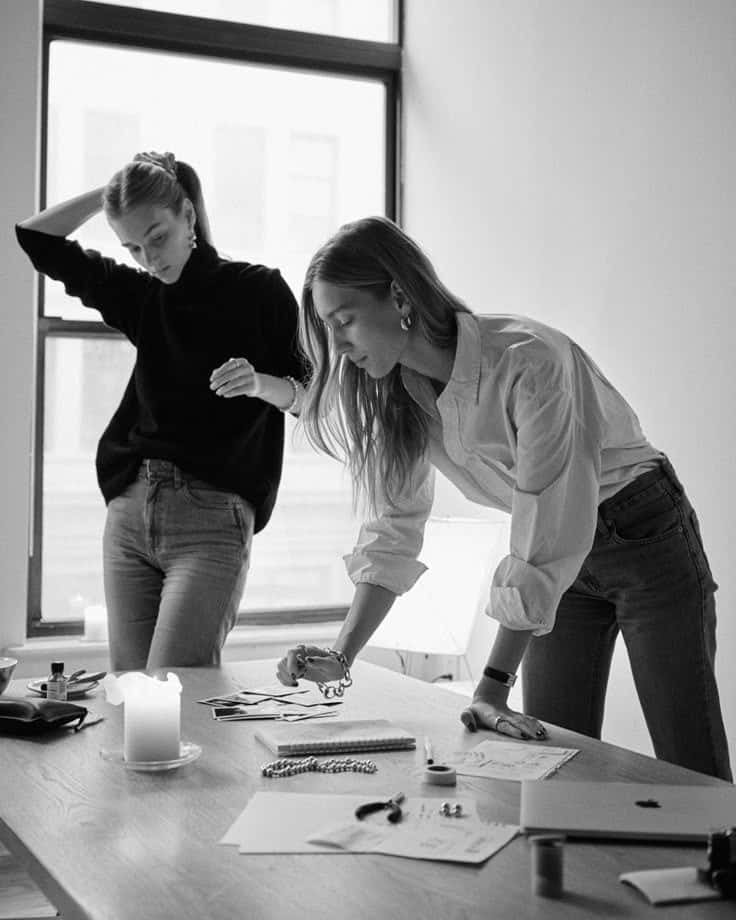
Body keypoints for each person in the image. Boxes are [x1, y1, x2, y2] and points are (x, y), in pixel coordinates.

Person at [276, 215, 731, 781]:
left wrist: (491, 686)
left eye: (344, 322)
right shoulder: (398, 395)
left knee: (693, 775)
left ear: (398, 295)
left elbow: (547, 525)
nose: (339, 348)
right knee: (551, 765)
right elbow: (393, 531)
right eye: (328, 330)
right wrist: (341, 656)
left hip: (642, 535)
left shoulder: (529, 361)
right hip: (556, 558)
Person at [17, 151, 308, 672]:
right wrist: (111, 189)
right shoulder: (140, 296)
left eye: (157, 237)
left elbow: (312, 399)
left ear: (189, 217)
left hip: (212, 521)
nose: (149, 259)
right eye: (131, 246)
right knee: (131, 702)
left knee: (179, 699)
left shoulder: (259, 290)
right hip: (130, 512)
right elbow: (35, 238)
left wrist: (260, 383)